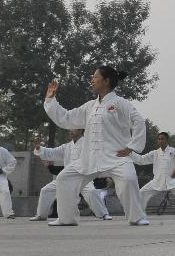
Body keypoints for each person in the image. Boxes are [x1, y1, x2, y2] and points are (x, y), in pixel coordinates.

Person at [43, 66, 150, 226]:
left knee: (128, 179)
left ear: (106, 81)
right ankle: (67, 218)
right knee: (64, 178)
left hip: (116, 156)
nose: (92, 80)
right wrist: (51, 100)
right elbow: (67, 118)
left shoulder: (120, 103)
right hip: (89, 158)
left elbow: (138, 121)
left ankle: (137, 217)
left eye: (95, 77)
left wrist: (132, 146)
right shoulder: (90, 106)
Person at [31, 130, 112, 221]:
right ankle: (41, 215)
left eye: (73, 129)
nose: (70, 131)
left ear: (81, 130)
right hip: (66, 179)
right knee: (46, 190)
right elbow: (53, 152)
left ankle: (104, 214)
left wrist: (105, 175)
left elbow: (98, 159)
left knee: (91, 192)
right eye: (70, 129)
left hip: (83, 178)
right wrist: (39, 148)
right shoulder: (67, 147)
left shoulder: (89, 145)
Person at [132, 132, 175, 217]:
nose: (160, 140)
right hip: (157, 181)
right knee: (142, 192)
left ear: (167, 140)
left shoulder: (174, 151)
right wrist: (130, 153)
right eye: (159, 139)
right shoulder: (154, 153)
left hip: (172, 181)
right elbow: (141, 160)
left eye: (162, 139)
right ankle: (139, 214)